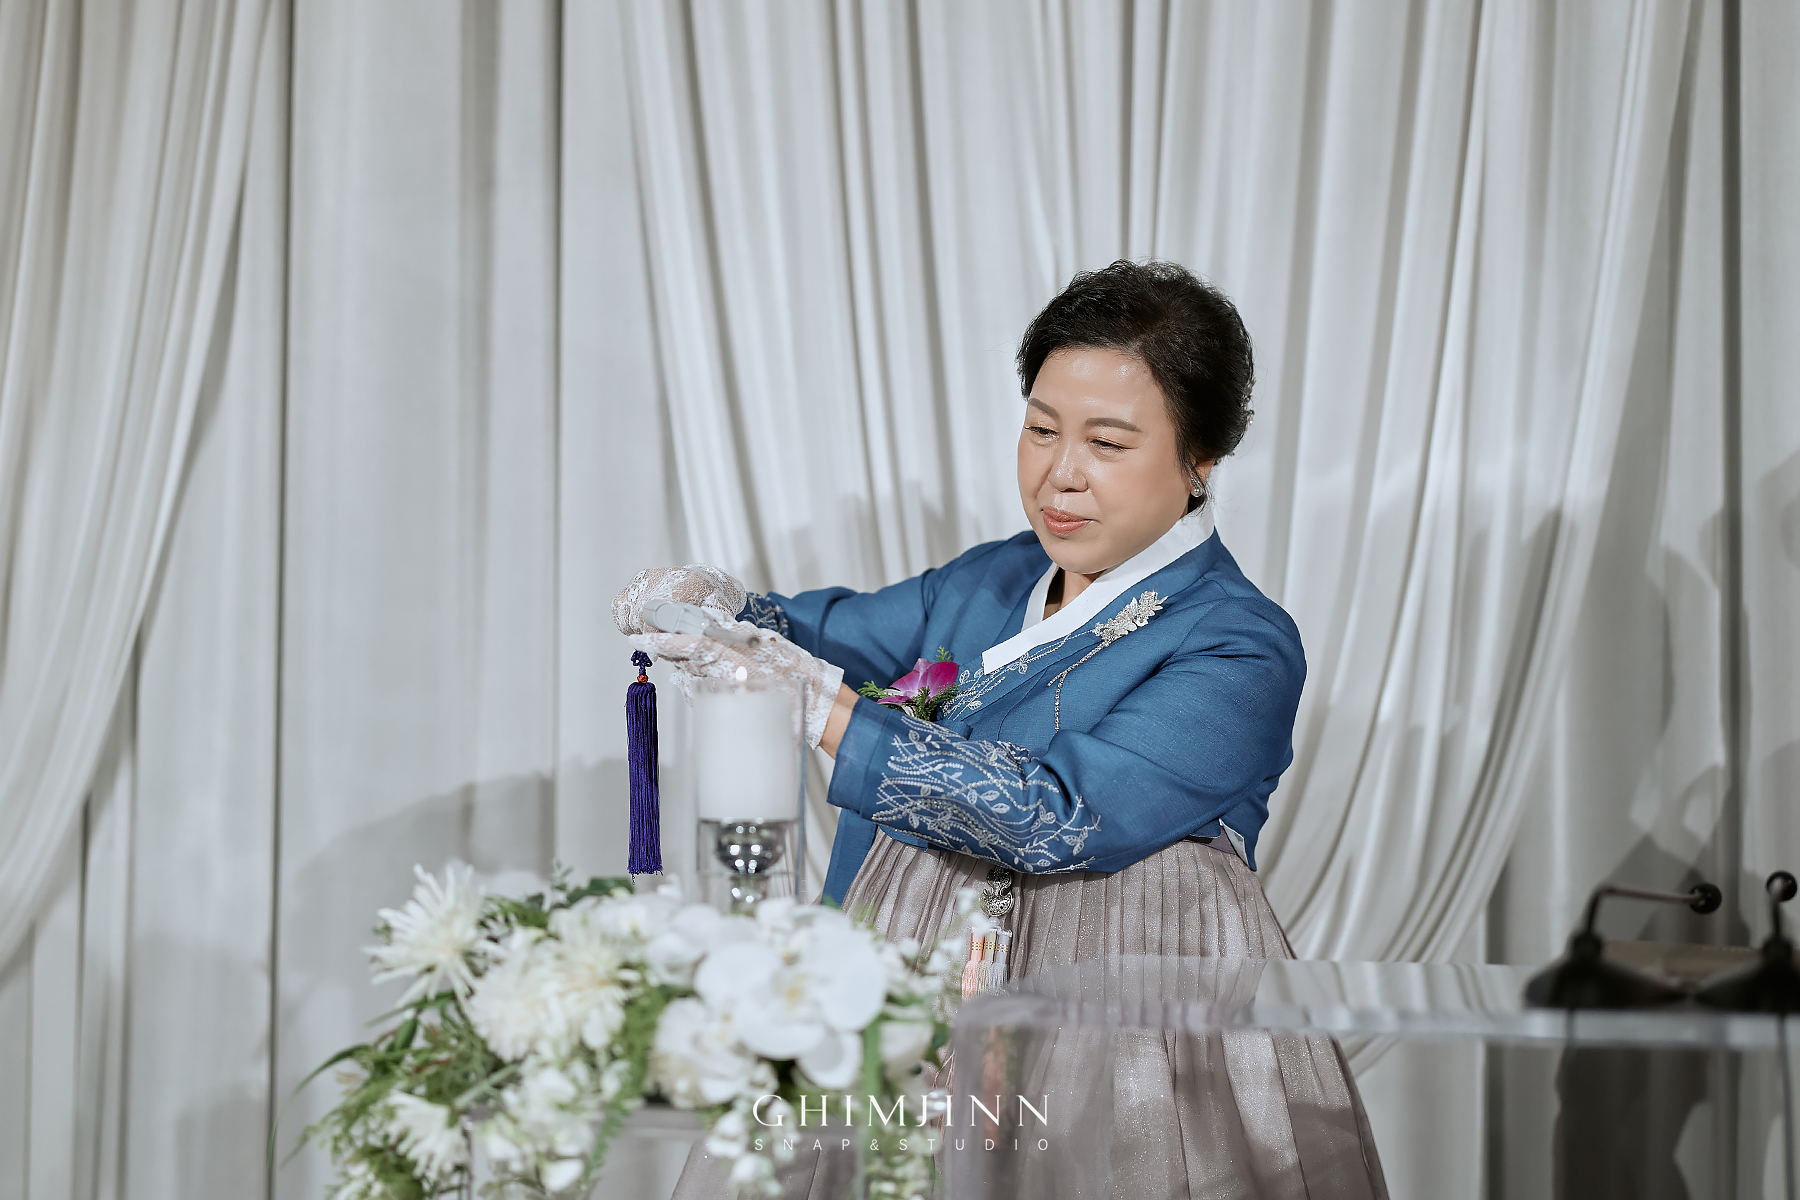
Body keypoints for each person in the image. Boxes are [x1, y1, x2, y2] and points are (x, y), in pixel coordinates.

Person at [617, 261, 1387, 1199]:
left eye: (1107, 443)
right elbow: (823, 635)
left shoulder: (1239, 641)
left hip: (1116, 1040)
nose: (1061, 474)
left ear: (1201, 460)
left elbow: (1058, 814)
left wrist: (818, 707)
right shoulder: (995, 576)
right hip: (903, 998)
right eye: (1041, 429)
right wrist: (718, 610)